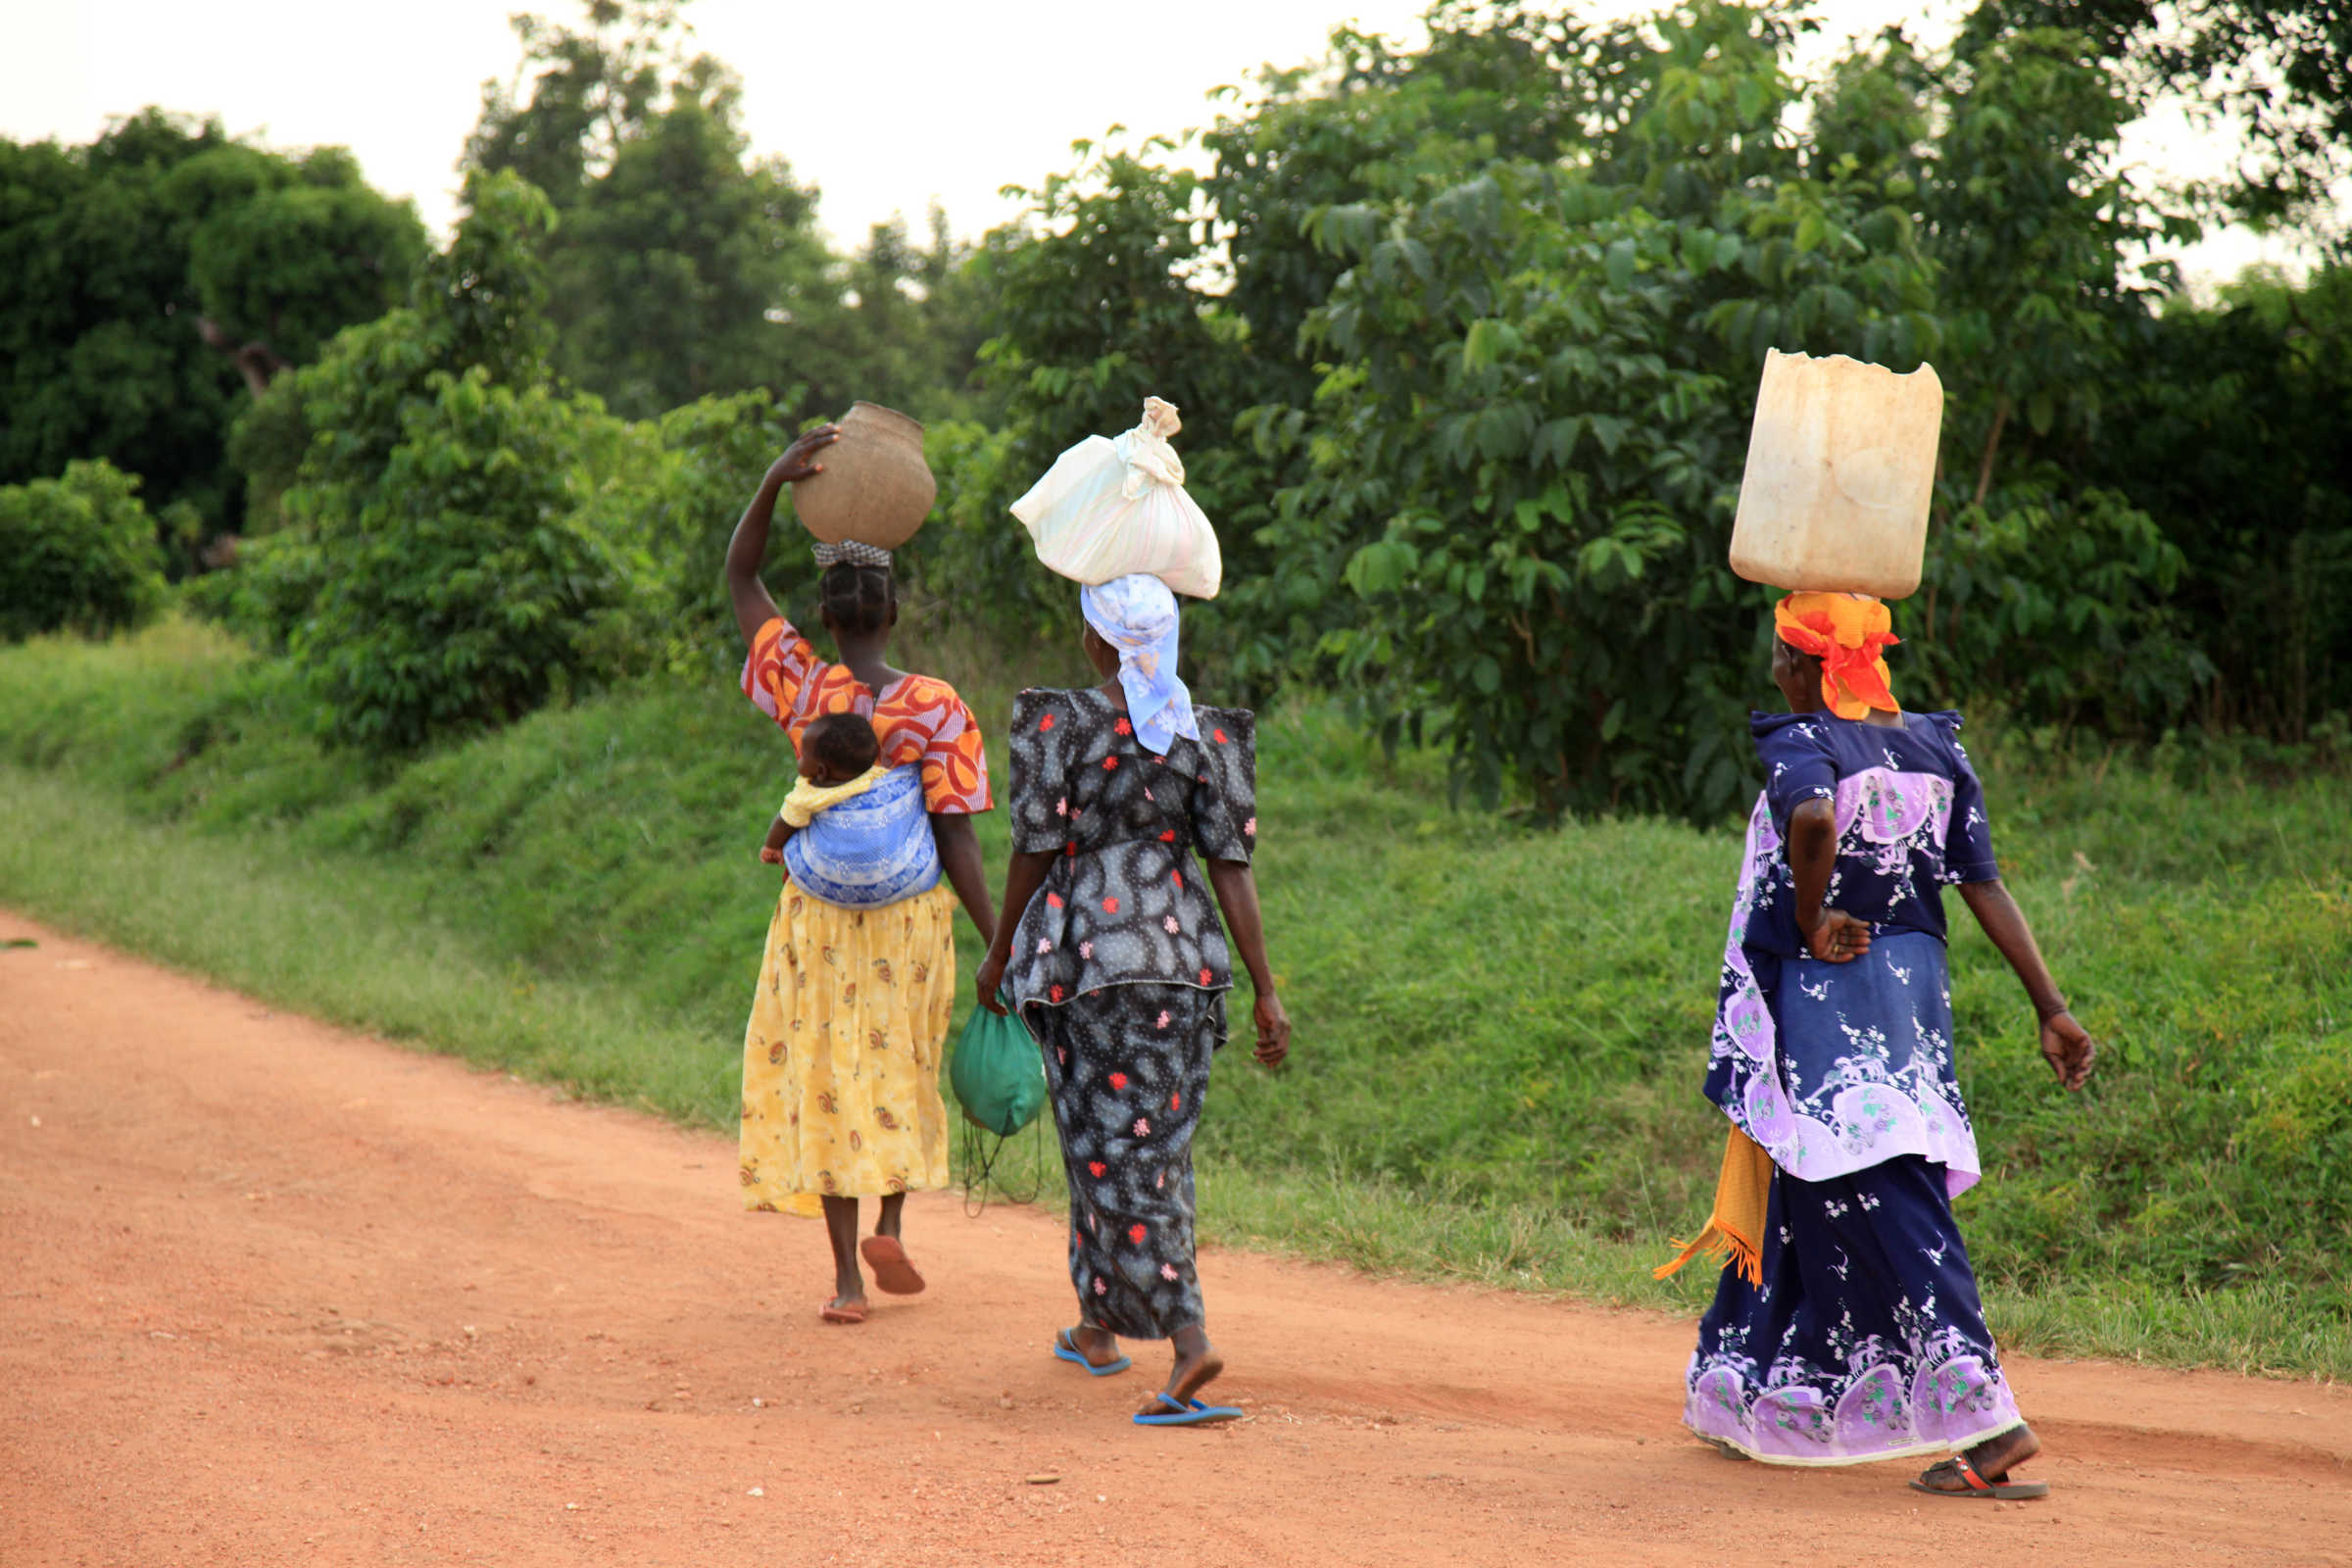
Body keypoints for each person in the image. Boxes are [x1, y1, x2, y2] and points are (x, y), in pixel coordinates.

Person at [1670, 590, 2096, 1497]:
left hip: (1836, 992)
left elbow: (1814, 822)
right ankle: (1747, 1386)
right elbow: (1981, 883)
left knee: (1883, 1186)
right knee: (1810, 1181)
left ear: (1800, 666)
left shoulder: (1802, 738)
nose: (1773, 673)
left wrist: (1811, 913)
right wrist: (2049, 1007)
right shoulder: (1935, 744)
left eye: (1780, 658)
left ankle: (1989, 1423)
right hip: (1913, 1002)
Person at [975, 572, 1292, 1426]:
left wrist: (999, 949)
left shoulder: (1061, 723)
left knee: (1118, 1150)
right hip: (1183, 967)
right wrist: (1265, 991)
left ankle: (1190, 1343)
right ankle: (1096, 1326)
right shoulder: (1201, 734)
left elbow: (1033, 847)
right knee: (1131, 1144)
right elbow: (1232, 868)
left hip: (1088, 967)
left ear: (1095, 640)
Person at [725, 424, 998, 1326]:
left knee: (829, 1077)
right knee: (898, 1066)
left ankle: (846, 1279)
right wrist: (999, 940)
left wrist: (773, 481)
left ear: (831, 620)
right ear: (892, 614)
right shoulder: (937, 707)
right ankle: (893, 1222)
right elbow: (959, 839)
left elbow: (740, 578)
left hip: (818, 918)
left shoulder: (807, 692)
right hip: (910, 920)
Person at [760, 712, 885, 866]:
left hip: (836, 863)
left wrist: (771, 847)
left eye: (804, 756)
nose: (799, 758)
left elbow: (784, 821)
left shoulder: (807, 797)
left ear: (821, 772)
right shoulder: (876, 774)